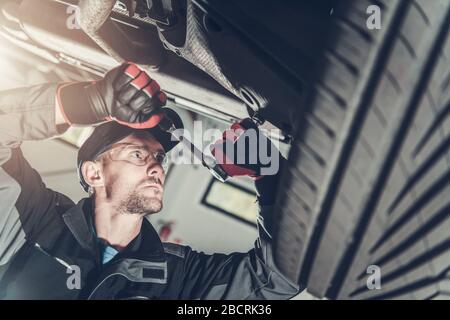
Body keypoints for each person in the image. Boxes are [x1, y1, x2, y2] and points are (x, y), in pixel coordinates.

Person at [0, 62, 300, 299]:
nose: (157, 167)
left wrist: (272, 176)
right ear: (94, 173)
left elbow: (279, 279)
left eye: (159, 157)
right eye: (138, 155)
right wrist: (87, 100)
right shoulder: (33, 219)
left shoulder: (178, 277)